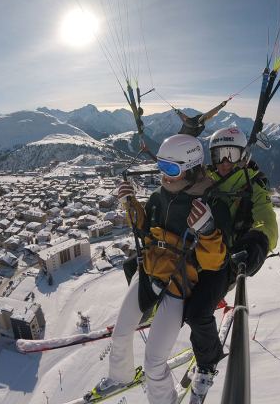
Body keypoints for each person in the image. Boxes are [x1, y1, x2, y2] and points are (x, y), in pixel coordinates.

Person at [92, 134, 231, 404]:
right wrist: (131, 205)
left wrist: (208, 230)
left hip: (179, 282)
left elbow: (216, 263)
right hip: (149, 270)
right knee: (120, 335)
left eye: (171, 168)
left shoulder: (211, 203)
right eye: (161, 166)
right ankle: (121, 375)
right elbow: (146, 230)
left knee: (155, 362)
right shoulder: (160, 195)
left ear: (190, 168)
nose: (164, 176)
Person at [184, 127, 278, 402]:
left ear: (243, 156)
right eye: (219, 155)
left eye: (231, 154)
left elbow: (265, 217)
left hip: (227, 258)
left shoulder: (253, 185)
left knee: (198, 311)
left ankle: (208, 361)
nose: (225, 162)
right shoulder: (203, 178)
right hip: (196, 248)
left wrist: (257, 242)